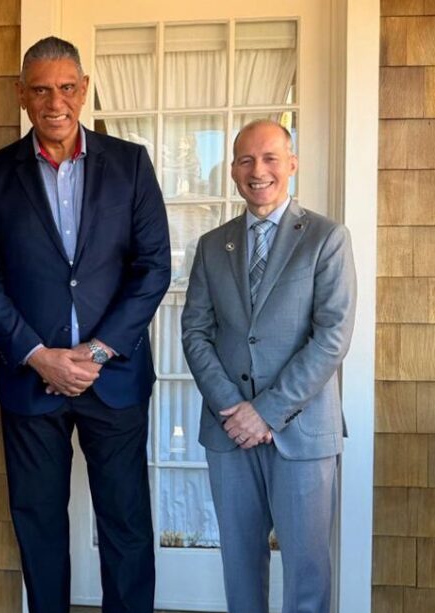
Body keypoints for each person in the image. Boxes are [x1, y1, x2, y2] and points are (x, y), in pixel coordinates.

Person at [0, 37, 171, 613]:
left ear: (84, 89)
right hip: (31, 380)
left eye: (65, 88)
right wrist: (38, 355)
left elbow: (154, 267)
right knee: (38, 525)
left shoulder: (130, 164)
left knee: (126, 524)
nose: (54, 102)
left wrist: (97, 353)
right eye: (40, 89)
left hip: (115, 379)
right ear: (21, 94)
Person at [181, 119, 357, 613]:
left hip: (302, 432)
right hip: (229, 432)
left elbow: (332, 337)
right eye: (246, 160)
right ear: (233, 170)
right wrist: (233, 408)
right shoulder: (212, 245)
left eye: (270, 158)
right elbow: (195, 332)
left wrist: (266, 412)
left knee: (307, 572)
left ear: (292, 164)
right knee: (240, 567)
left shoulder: (326, 238)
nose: (258, 170)